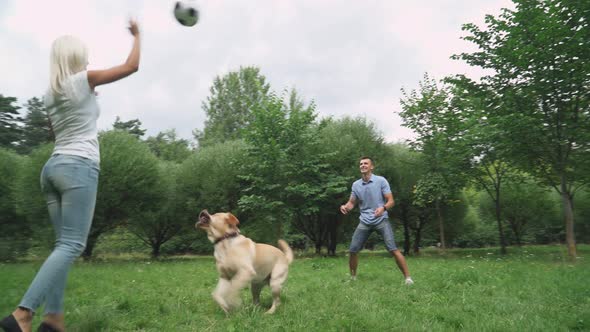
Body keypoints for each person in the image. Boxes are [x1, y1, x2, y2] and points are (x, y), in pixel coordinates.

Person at [0, 19, 141, 332]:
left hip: (52, 169)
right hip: (79, 166)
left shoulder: (51, 94)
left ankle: (54, 318)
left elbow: (56, 130)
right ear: (76, 58)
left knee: (63, 245)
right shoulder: (83, 79)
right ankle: (23, 314)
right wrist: (137, 35)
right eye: (84, 55)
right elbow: (132, 66)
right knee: (72, 245)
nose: (88, 60)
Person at [340, 156, 413, 285]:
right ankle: (353, 278)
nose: (363, 165)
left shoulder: (381, 181)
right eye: (361, 164)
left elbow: (391, 201)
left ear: (371, 167)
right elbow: (352, 203)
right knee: (353, 250)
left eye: (366, 163)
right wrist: (346, 207)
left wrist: (383, 208)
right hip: (364, 221)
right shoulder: (356, 184)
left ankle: (408, 278)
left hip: (381, 220)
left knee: (392, 249)